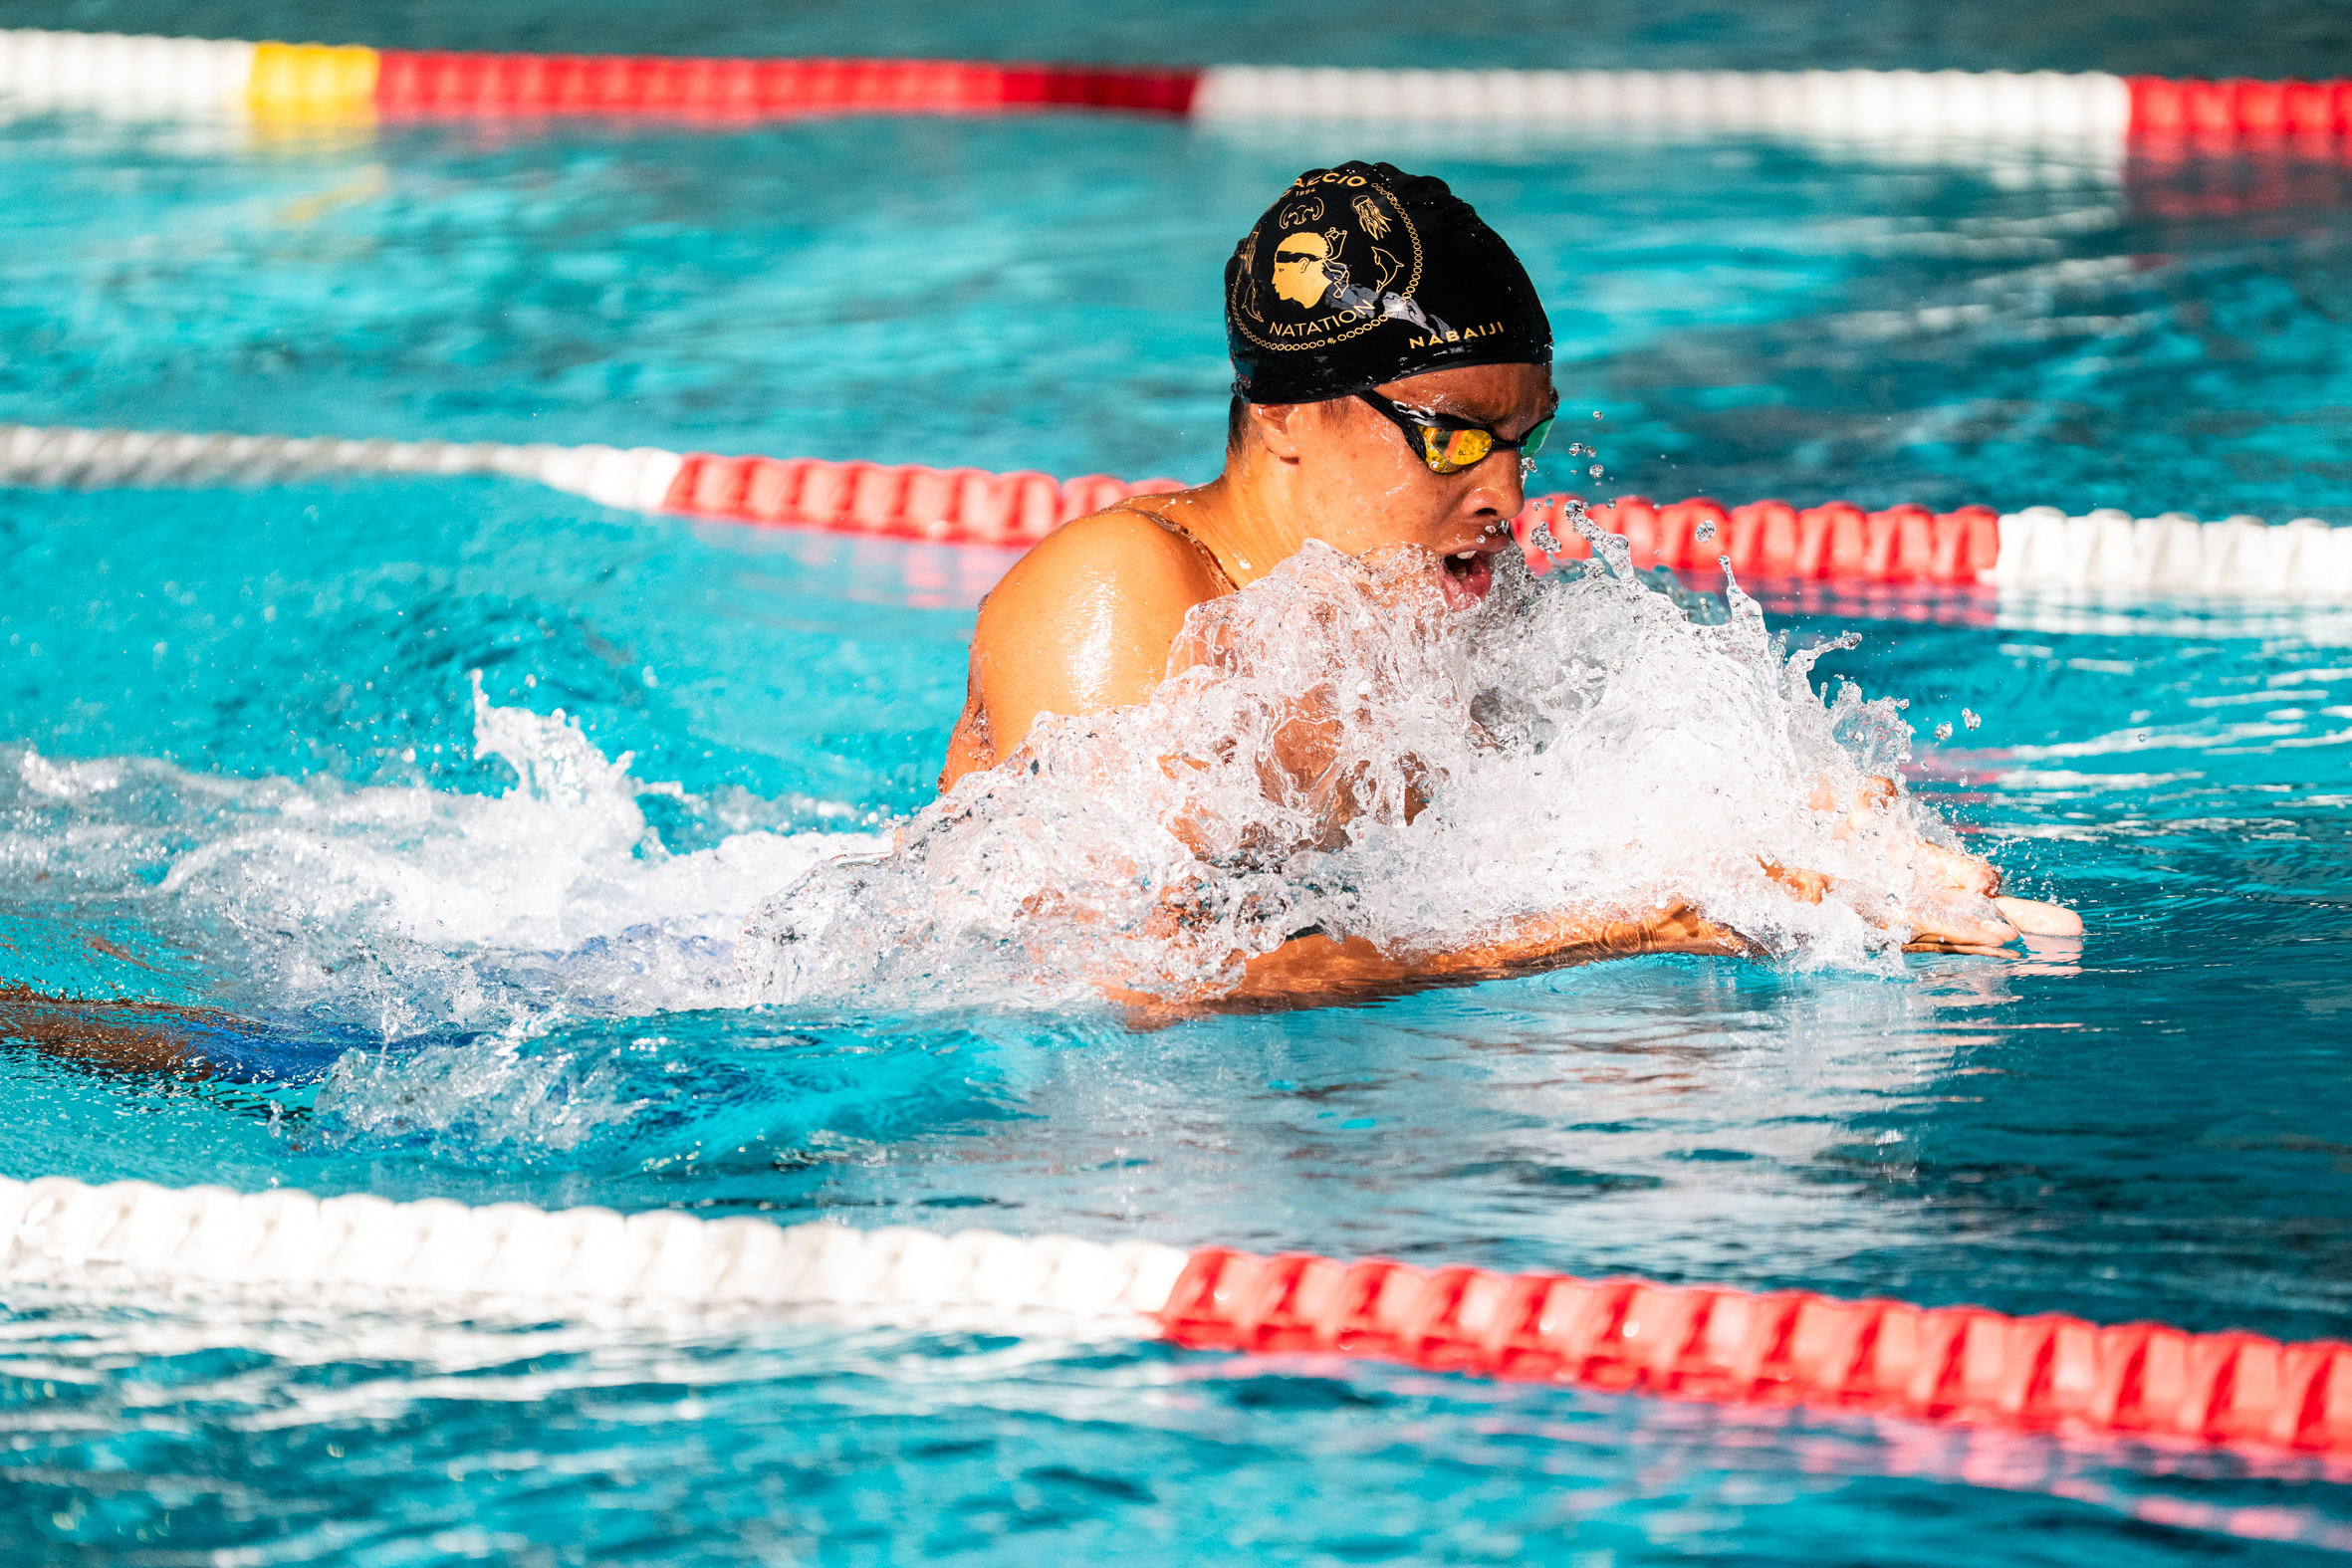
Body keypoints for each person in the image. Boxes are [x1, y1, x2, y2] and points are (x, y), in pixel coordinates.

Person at [936, 160, 2078, 1002]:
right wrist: (1626, 924)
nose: (1507, 501)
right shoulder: (1117, 593)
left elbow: (1656, 761)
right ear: (1286, 413)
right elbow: (1121, 980)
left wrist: (1857, 847)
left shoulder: (1436, 602)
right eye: (1451, 436)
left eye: (1520, 441)